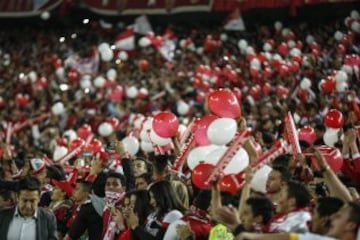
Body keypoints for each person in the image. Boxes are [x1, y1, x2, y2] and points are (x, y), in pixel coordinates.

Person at [0, 176, 57, 240]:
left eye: (32, 201)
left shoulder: (48, 219)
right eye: (24, 200)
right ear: (17, 197)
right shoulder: (2, 216)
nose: (28, 206)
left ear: (39, 199)